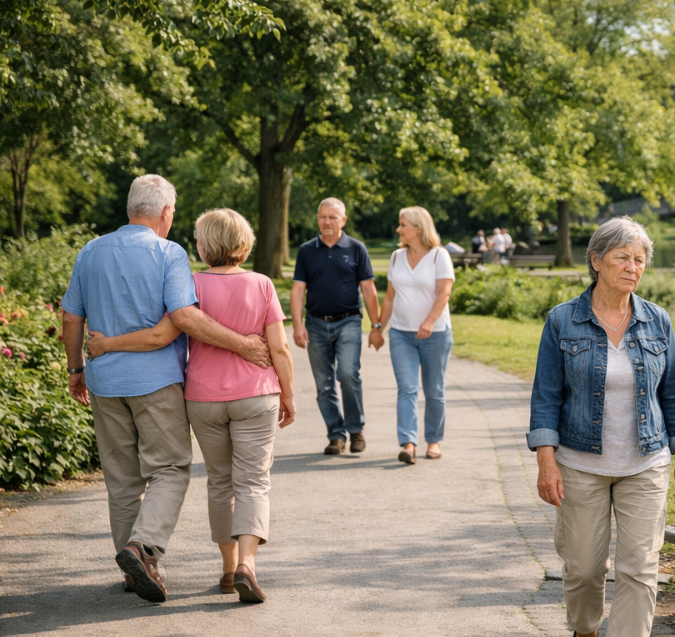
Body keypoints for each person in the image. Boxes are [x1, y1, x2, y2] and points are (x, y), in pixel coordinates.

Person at [60, 175, 272, 603]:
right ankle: (143, 548)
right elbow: (181, 321)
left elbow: (70, 318)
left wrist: (76, 368)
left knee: (121, 479)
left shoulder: (90, 250)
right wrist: (248, 346)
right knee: (170, 468)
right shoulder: (168, 253)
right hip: (155, 382)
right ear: (166, 212)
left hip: (103, 382)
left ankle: (133, 566)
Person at [528, 216, 675, 637]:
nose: (633, 267)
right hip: (579, 462)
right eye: (622, 257)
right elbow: (545, 398)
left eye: (639, 259)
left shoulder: (657, 321)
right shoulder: (563, 321)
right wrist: (546, 461)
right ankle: (585, 636)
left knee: (640, 568)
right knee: (582, 568)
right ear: (596, 260)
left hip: (645, 461)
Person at [290, 198, 382, 455]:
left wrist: (376, 326)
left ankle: (355, 429)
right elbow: (298, 291)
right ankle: (335, 435)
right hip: (316, 324)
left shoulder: (356, 248)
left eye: (333, 217)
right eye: (323, 217)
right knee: (324, 384)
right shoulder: (307, 250)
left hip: (349, 321)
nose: (327, 221)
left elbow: (369, 290)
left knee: (348, 375)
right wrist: (298, 325)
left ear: (343, 220)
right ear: (317, 218)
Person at [370, 207, 455, 464]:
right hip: (401, 334)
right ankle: (408, 443)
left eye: (403, 224)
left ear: (418, 228)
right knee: (406, 389)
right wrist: (377, 328)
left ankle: (434, 440)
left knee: (434, 390)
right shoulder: (396, 257)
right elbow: (389, 297)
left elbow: (444, 294)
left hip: (435, 334)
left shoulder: (439, 256)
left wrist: (429, 321)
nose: (399, 229)